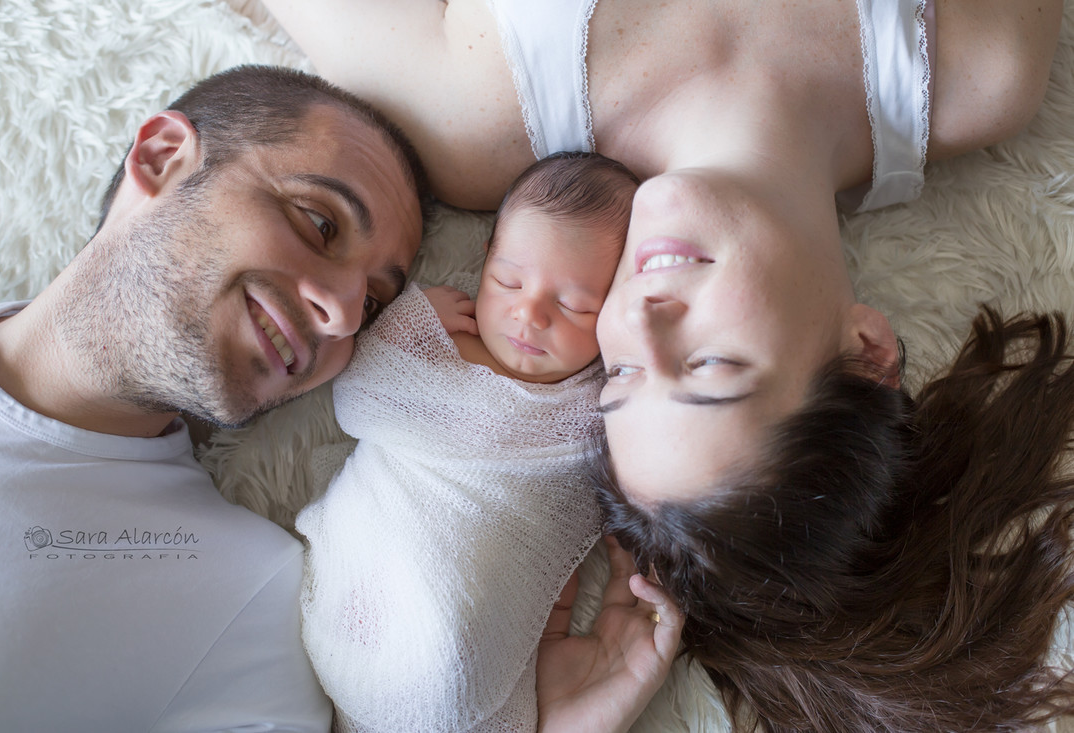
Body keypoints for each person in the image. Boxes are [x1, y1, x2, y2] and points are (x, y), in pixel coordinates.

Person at [247, 0, 1074, 729]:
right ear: (866, 355)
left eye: (622, 377)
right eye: (709, 365)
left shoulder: (471, 116)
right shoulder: (979, 61)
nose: (637, 317)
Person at [0, 63, 679, 732]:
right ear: (162, 156)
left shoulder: (246, 595)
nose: (344, 315)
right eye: (320, 224)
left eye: (374, 304)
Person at [296, 152, 681, 732]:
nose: (529, 314)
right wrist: (408, 323)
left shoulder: (594, 403)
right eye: (508, 280)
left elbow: (639, 465)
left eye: (574, 304)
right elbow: (359, 399)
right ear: (485, 259)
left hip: (477, 643)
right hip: (360, 598)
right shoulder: (438, 346)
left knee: (456, 668)